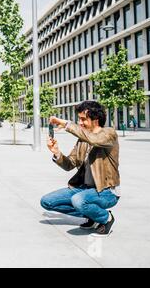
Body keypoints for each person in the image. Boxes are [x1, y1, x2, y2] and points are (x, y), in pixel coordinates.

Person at [40, 101, 121, 237]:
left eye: (83, 119)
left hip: (106, 191)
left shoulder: (109, 134)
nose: (80, 123)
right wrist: (57, 153)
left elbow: (94, 140)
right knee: (47, 201)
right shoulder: (82, 141)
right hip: (84, 189)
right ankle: (92, 215)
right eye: (79, 119)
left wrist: (66, 124)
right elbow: (70, 164)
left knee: (78, 200)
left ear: (96, 120)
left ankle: (106, 218)